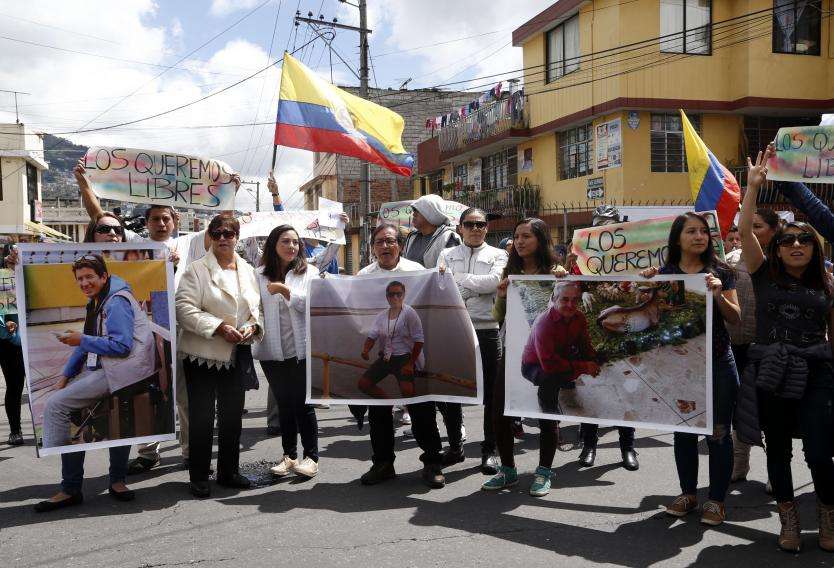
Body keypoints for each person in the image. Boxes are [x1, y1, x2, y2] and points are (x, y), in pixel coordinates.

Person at [76, 159, 241, 474]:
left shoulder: (191, 243)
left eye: (166, 219)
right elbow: (99, 218)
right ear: (146, 223)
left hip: (184, 330)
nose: (161, 224)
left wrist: (229, 190)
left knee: (184, 396)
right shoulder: (138, 245)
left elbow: (221, 223)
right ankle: (148, 452)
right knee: (147, 387)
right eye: (155, 219)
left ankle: (191, 451)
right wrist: (85, 183)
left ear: (174, 220)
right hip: (145, 330)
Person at [736, 147, 834, 553]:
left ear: (815, 250)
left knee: (819, 448)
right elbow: (744, 232)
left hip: (817, 374)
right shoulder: (762, 275)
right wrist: (753, 188)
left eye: (804, 240)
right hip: (771, 373)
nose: (795, 244)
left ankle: (828, 518)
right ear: (776, 249)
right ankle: (789, 520)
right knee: (777, 449)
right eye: (788, 240)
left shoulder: (827, 286)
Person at [35, 251, 156, 512]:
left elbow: (121, 346)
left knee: (56, 405)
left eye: (89, 277)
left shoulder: (115, 302)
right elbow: (85, 343)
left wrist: (82, 340)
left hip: (124, 369)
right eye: (79, 278)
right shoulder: (98, 300)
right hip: (106, 366)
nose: (84, 283)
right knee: (62, 398)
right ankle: (76, 486)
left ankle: (94, 483)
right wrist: (65, 377)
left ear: (104, 276)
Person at [642, 212, 741, 526]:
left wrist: (716, 296)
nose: (700, 237)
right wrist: (645, 286)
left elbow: (736, 317)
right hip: (679, 367)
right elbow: (648, 317)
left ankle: (716, 500)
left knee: (719, 434)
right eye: (692, 232)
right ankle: (688, 494)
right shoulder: (663, 274)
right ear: (677, 238)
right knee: (684, 431)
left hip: (718, 363)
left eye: (704, 232)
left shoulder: (721, 272)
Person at [175, 215, 263, 498]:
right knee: (201, 418)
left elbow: (255, 308)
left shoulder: (248, 270)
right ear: (210, 237)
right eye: (217, 233)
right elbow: (184, 308)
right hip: (202, 354)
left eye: (229, 233)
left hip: (237, 353)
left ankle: (229, 471)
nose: (223, 238)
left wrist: (252, 326)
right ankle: (199, 475)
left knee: (232, 417)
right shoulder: (195, 270)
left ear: (237, 237)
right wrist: (218, 327)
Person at [357, 222, 445, 489]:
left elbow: (426, 324)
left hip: (409, 356)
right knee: (377, 411)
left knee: (421, 409)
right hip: (385, 355)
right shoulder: (362, 277)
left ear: (401, 245)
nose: (385, 246)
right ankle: (383, 464)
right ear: (372, 247)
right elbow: (359, 317)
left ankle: (432, 463)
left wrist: (441, 277)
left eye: (391, 241)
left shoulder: (418, 272)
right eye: (380, 242)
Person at [482, 218, 563, 497]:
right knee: (499, 412)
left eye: (526, 236)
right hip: (514, 351)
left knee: (546, 412)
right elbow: (498, 317)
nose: (519, 241)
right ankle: (508, 471)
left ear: (540, 239)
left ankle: (543, 472)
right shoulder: (511, 271)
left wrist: (563, 285)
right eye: (517, 237)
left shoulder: (557, 272)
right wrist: (502, 296)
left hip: (547, 355)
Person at [438, 207, 508, 474]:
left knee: (491, 393)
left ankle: (489, 450)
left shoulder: (498, 254)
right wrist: (473, 285)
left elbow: (494, 281)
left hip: (487, 328)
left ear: (487, 228)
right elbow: (441, 285)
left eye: (481, 224)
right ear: (460, 228)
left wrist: (460, 281)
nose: (476, 228)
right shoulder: (446, 254)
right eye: (470, 224)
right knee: (452, 390)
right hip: (455, 328)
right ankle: (455, 447)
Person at [573, 205, 639, 471]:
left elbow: (639, 284)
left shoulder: (631, 254)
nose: (604, 228)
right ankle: (589, 444)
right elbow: (569, 281)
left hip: (622, 321)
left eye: (608, 223)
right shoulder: (580, 252)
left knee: (625, 385)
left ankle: (628, 446)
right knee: (591, 385)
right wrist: (582, 292)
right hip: (591, 325)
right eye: (599, 223)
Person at [402, 194, 466, 464]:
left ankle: (455, 432)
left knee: (443, 375)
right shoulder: (411, 239)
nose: (413, 217)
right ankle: (430, 435)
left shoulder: (449, 237)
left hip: (438, 313)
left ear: (428, 214)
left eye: (416, 212)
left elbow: (449, 273)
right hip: (413, 310)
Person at [254, 225, 320, 479]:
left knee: (304, 404)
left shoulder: (309, 272)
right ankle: (289, 456)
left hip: (301, 350)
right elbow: (254, 306)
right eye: (285, 242)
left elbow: (312, 306)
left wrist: (284, 290)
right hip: (272, 350)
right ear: (273, 245)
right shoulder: (259, 274)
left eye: (295, 242)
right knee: (284, 405)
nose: (291, 247)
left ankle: (312, 457)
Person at [724, 208, 780, 485]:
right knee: (739, 408)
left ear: (773, 230)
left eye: (757, 227)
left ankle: (775, 471)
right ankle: (739, 464)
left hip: (768, 347)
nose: (748, 232)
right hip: (735, 345)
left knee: (770, 408)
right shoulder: (731, 261)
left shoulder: (782, 263)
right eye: (747, 227)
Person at [521, 281, 600, 412]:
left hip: (561, 355)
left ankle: (565, 379)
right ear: (554, 299)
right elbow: (549, 364)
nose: (570, 305)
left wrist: (593, 360)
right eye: (565, 299)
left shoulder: (579, 317)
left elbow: (584, 344)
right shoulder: (544, 323)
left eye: (575, 300)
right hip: (535, 365)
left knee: (587, 357)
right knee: (550, 377)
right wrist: (584, 367)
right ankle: (546, 403)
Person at [359, 281, 424, 399]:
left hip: (404, 358)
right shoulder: (382, 315)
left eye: (398, 294)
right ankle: (388, 404)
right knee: (364, 384)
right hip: (386, 357)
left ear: (403, 295)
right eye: (391, 294)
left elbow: (419, 340)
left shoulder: (409, 313)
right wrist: (366, 350)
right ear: (387, 297)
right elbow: (372, 336)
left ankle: (408, 411)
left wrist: (410, 364)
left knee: (407, 390)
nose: (395, 297)